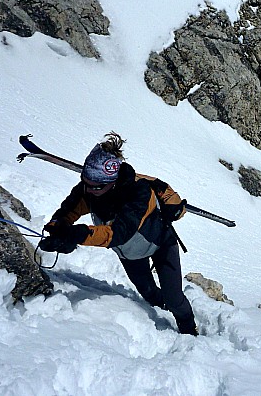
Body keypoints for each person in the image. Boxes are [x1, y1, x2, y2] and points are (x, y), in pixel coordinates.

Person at [38, 132, 198, 336]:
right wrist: (57, 228)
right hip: (130, 255)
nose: (89, 190)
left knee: (174, 298)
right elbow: (68, 211)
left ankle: (189, 330)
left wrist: (76, 235)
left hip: (161, 244)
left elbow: (119, 233)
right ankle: (161, 313)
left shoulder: (139, 193)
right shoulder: (89, 189)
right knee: (149, 294)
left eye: (96, 186)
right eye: (85, 182)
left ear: (112, 182)